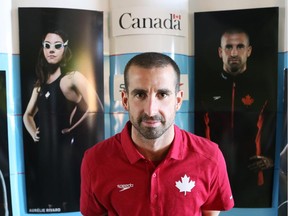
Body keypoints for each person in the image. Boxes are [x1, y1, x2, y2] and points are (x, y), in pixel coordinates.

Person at [80, 52, 234, 216]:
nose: (151, 110)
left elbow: (210, 213)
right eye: (140, 95)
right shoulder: (95, 160)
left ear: (178, 100)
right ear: (125, 100)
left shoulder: (210, 157)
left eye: (162, 94)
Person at [23, 29, 103, 211]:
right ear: (42, 49)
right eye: (47, 46)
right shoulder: (39, 84)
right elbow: (27, 115)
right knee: (49, 198)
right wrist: (33, 132)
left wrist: (72, 129)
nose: (51, 50)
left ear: (64, 49)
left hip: (68, 151)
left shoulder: (72, 78)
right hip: (44, 152)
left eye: (57, 46)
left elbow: (96, 107)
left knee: (69, 198)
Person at [194, 28, 276, 207]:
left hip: (254, 178)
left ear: (249, 51)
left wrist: (271, 159)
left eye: (239, 47)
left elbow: (274, 128)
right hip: (212, 176)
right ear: (220, 52)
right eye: (228, 47)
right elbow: (198, 131)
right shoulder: (206, 90)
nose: (233, 52)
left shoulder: (263, 91)